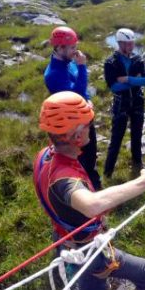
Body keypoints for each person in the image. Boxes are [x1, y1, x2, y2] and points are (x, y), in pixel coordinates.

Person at [34, 91, 145, 290]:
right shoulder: (63, 179)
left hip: (66, 238)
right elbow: (91, 205)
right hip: (87, 251)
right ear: (77, 136)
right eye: (88, 124)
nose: (92, 127)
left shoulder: (46, 155)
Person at [44, 26, 102, 190]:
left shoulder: (69, 63)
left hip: (84, 118)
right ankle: (85, 193)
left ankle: (94, 184)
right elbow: (75, 95)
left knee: (90, 155)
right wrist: (82, 66)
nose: (75, 51)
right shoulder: (54, 74)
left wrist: (88, 100)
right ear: (59, 48)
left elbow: (82, 91)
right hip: (72, 126)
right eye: (72, 48)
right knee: (80, 159)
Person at [103, 28, 145, 179]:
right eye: (128, 44)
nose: (131, 46)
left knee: (137, 136)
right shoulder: (111, 62)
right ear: (120, 44)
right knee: (116, 139)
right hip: (121, 104)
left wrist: (128, 79)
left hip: (137, 102)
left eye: (132, 43)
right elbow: (114, 86)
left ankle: (137, 164)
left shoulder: (138, 59)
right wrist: (136, 81)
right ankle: (107, 172)